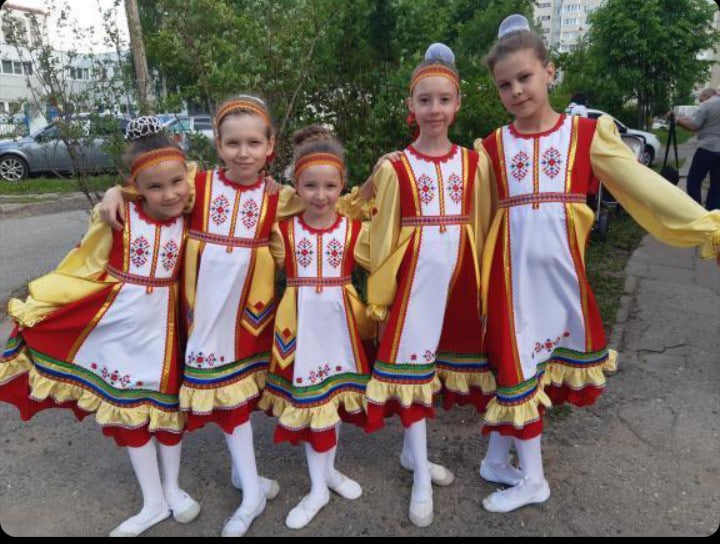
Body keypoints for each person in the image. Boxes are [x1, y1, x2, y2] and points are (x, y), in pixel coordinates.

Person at [475, 14, 720, 514]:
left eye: (525, 77)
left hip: (560, 280)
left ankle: (521, 472)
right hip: (511, 282)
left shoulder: (586, 135)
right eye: (504, 85)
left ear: (550, 72)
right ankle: (510, 466)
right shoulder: (492, 147)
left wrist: (704, 225)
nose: (516, 90)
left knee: (529, 370)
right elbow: (470, 211)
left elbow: (642, 186)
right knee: (515, 367)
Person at [98, 96, 299, 537]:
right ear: (217, 145)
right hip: (202, 320)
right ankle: (245, 481)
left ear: (270, 146)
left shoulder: (279, 198)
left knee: (236, 402)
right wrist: (115, 191)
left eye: (253, 143)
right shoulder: (197, 185)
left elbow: (329, 201)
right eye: (232, 143)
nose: (242, 153)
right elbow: (152, 184)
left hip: (246, 321)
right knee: (225, 401)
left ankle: (249, 488)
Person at [0, 116, 201, 537]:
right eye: (154, 187)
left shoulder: (193, 210)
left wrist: (119, 189)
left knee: (168, 410)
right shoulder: (118, 216)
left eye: (175, 183)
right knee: (128, 411)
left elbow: (214, 181)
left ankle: (173, 487)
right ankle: (153, 500)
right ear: (136, 187)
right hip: (119, 324)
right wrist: (115, 194)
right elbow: (84, 262)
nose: (169, 194)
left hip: (167, 329)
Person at [363, 43, 497, 528]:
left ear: (457, 104)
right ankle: (421, 472)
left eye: (443, 99)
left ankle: (410, 454)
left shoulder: (475, 164)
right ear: (411, 105)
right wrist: (381, 295)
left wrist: (486, 288)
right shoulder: (395, 167)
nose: (434, 109)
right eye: (425, 100)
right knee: (414, 372)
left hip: (459, 281)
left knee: (434, 369)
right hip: (415, 283)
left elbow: (484, 224)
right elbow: (376, 231)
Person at [259, 127, 374, 529]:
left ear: (342, 186)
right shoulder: (283, 232)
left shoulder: (355, 231)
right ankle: (317, 486)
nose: (321, 195)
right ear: (297, 186)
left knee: (332, 403)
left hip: (340, 329)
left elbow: (387, 258)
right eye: (310, 185)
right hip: (301, 331)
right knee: (311, 405)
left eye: (330, 186)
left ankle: (328, 473)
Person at [675, 88, 720, 210]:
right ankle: (713, 212)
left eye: (701, 99)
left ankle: (696, 210)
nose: (700, 102)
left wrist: (677, 120)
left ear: (706, 95)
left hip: (707, 148)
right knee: (717, 184)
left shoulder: (707, 104)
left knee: (693, 181)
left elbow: (694, 126)